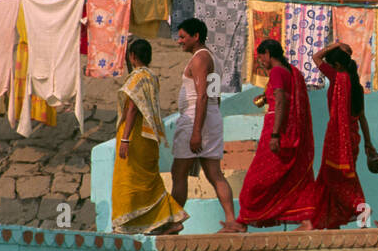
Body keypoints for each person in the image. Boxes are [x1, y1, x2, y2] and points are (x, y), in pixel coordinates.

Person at [170, 17, 242, 234]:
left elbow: (202, 96)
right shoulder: (213, 58)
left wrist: (196, 132)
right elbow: (215, 98)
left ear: (196, 36)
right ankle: (231, 220)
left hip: (197, 118)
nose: (179, 41)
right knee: (214, 173)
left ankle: (174, 221)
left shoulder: (200, 59)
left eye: (183, 37)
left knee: (179, 171)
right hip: (211, 116)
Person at [236, 39, 315, 229]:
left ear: (269, 54)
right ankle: (306, 219)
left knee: (255, 180)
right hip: (289, 130)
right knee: (293, 177)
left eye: (261, 56)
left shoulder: (278, 72)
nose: (261, 61)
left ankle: (243, 220)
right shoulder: (292, 72)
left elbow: (280, 102)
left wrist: (275, 135)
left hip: (276, 131)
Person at [293, 41, 372, 229]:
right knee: (333, 180)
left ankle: (359, 206)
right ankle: (331, 222)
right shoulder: (356, 86)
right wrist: (368, 143)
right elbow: (362, 117)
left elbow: (316, 57)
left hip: (337, 138)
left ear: (336, 65)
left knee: (334, 178)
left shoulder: (337, 78)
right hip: (353, 138)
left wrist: (335, 44)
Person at [111, 39, 187, 235]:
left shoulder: (136, 79)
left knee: (128, 180)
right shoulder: (152, 77)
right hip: (149, 138)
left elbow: (133, 109)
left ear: (132, 57)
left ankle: (127, 225)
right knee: (149, 181)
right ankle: (166, 221)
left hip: (135, 137)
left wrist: (125, 139)